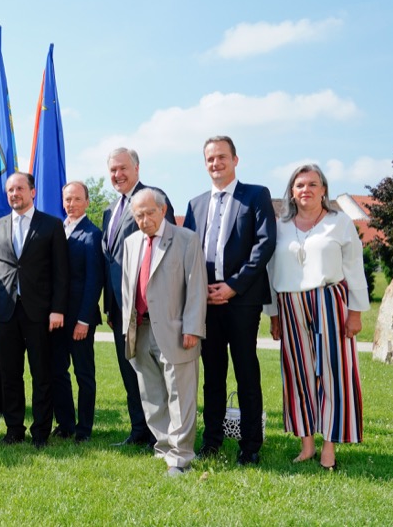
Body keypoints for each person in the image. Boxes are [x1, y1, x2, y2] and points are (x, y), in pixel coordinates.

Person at [266, 164, 368, 470]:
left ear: (323, 189)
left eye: (312, 184)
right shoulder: (280, 226)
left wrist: (355, 312)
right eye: (299, 185)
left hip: (329, 300)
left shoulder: (340, 222)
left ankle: (329, 446)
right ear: (291, 192)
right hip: (289, 303)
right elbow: (270, 271)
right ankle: (307, 444)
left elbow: (354, 268)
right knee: (298, 374)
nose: (306, 190)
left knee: (335, 373)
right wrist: (273, 314)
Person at [183, 136, 276, 466]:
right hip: (206, 303)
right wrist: (200, 291)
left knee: (246, 372)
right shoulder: (195, 204)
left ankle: (250, 446)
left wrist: (233, 286)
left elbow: (265, 244)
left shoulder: (256, 195)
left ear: (235, 160)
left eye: (222, 157)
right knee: (212, 375)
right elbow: (188, 251)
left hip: (242, 301)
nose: (216, 163)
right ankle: (212, 440)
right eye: (210, 158)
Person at [0, 172, 68, 448]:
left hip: (40, 313)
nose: (14, 194)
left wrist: (57, 309)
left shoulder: (51, 225)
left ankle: (41, 432)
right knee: (10, 374)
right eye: (10, 190)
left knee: (42, 374)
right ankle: (14, 429)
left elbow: (61, 272)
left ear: (32, 192)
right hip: (5, 313)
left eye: (19, 188)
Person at [122, 189, 207, 476]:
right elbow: (127, 288)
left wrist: (192, 328)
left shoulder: (186, 239)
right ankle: (164, 447)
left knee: (180, 396)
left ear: (163, 210)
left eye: (149, 213)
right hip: (141, 329)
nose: (144, 220)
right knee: (152, 395)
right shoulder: (131, 242)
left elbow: (196, 287)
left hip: (176, 331)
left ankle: (181, 457)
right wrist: (127, 328)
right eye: (138, 215)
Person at [102, 148, 174, 448]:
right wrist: (110, 306)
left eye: (123, 168)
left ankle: (165, 434)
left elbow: (168, 250)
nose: (117, 175)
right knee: (130, 371)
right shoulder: (110, 211)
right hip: (121, 309)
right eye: (113, 170)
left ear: (137, 168)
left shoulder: (153, 199)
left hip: (149, 306)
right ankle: (139, 430)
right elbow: (110, 261)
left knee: (157, 374)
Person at [50, 181, 104, 443]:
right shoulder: (56, 230)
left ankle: (84, 429)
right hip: (56, 318)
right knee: (58, 372)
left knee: (84, 374)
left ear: (87, 202)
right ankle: (65, 424)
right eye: (67, 199)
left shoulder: (92, 235)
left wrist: (84, 320)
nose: (71, 204)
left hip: (79, 319)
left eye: (77, 199)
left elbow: (94, 281)